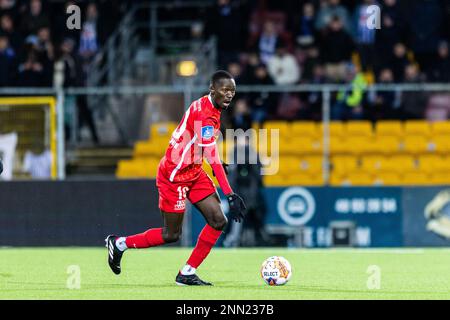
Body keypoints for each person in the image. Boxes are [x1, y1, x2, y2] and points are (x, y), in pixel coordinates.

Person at [105, 71, 247, 286]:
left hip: (194, 171)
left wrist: (217, 162)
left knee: (218, 220)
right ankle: (119, 244)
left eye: (232, 91)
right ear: (212, 89)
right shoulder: (206, 114)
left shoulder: (210, 106)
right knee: (171, 234)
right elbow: (210, 153)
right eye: (225, 90)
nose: (229, 95)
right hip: (175, 176)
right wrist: (230, 194)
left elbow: (205, 148)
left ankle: (187, 273)